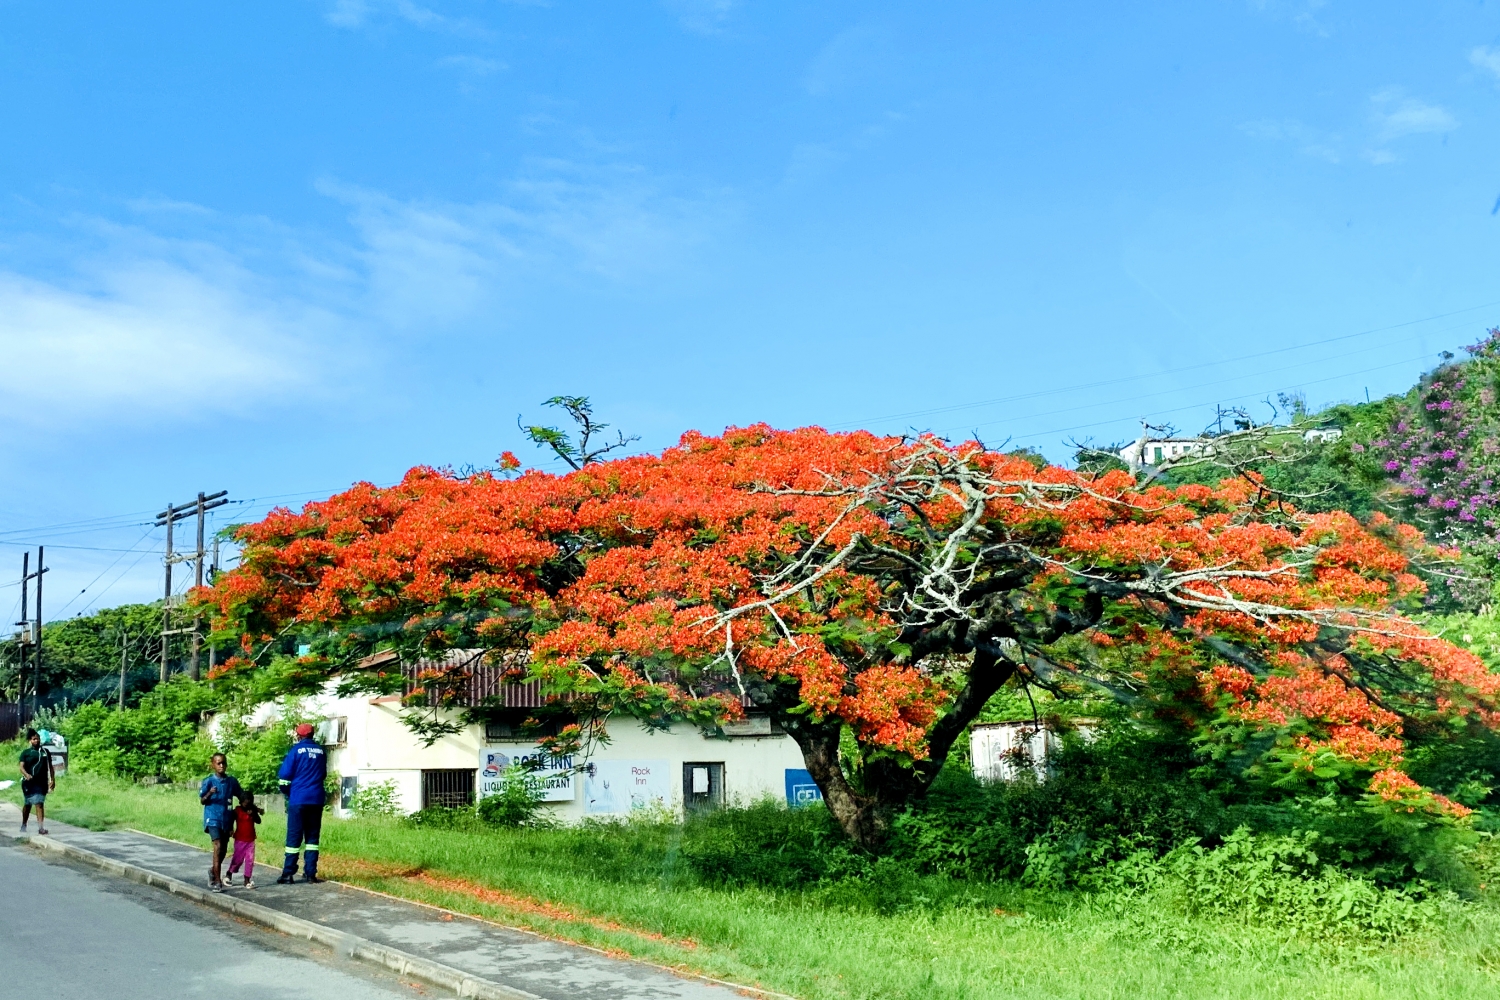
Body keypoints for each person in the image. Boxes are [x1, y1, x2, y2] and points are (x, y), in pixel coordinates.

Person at [276, 722, 327, 884]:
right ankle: (310, 874)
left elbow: (284, 778)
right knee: (312, 838)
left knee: (294, 837)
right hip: (316, 799)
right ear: (312, 734)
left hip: (298, 799)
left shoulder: (296, 751)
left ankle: (288, 873)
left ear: (299, 735)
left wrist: (290, 794)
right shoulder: (321, 751)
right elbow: (323, 774)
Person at [199, 752, 243, 892]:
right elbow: (202, 800)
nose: (221, 765)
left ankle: (213, 871)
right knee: (217, 846)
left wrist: (252, 808)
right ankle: (217, 881)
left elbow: (241, 796)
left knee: (223, 849)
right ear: (213, 764)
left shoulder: (231, 782)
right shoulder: (209, 781)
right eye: (218, 763)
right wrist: (210, 793)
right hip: (212, 817)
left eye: (223, 762)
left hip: (227, 818)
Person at [18, 729, 55, 834]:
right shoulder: (26, 753)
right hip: (29, 782)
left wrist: (53, 779)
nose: (36, 741)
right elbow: (21, 767)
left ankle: (41, 828)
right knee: (28, 804)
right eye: (34, 739)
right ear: (30, 740)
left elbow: (50, 767)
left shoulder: (45, 752)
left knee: (39, 803)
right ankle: (24, 824)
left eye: (38, 739)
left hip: (41, 782)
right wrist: (26, 774)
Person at [226, 790, 264, 888]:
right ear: (241, 802)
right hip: (240, 839)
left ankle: (247, 880)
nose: (247, 805)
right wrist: (230, 829)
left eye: (249, 803)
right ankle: (229, 873)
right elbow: (231, 820)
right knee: (238, 859)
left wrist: (254, 814)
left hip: (250, 840)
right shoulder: (237, 810)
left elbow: (259, 821)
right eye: (245, 803)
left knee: (250, 861)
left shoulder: (253, 810)